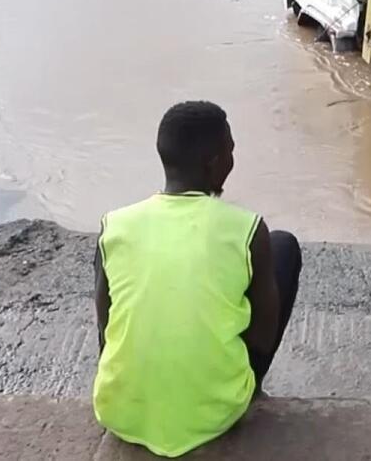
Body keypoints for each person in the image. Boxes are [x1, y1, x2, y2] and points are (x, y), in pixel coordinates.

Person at [93, 101, 303, 458]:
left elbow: (106, 327)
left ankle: (140, 382)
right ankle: (243, 388)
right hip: (216, 413)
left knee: (116, 260)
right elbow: (263, 336)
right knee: (284, 247)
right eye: (231, 151)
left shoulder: (116, 224)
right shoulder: (247, 228)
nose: (233, 161)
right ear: (214, 163)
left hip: (119, 410)